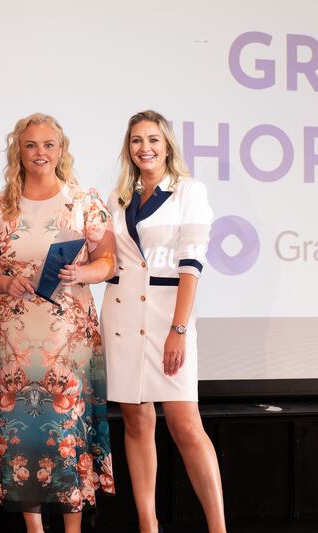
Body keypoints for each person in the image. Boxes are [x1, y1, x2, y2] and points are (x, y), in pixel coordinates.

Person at [0, 113, 115, 533]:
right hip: (15, 339)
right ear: (19, 150)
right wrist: (5, 282)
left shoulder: (85, 200)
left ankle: (72, 529)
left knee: (68, 429)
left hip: (70, 338)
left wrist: (82, 273)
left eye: (49, 145)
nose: (40, 153)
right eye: (31, 145)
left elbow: (108, 261)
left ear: (61, 150)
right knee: (22, 431)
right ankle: (34, 529)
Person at [101, 110, 226, 533]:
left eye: (153, 139)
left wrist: (179, 329)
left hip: (167, 316)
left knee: (185, 423)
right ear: (128, 148)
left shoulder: (190, 191)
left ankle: (218, 527)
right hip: (121, 316)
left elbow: (192, 265)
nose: (145, 148)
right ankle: (148, 524)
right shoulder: (118, 197)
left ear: (167, 144)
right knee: (136, 422)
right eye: (136, 140)